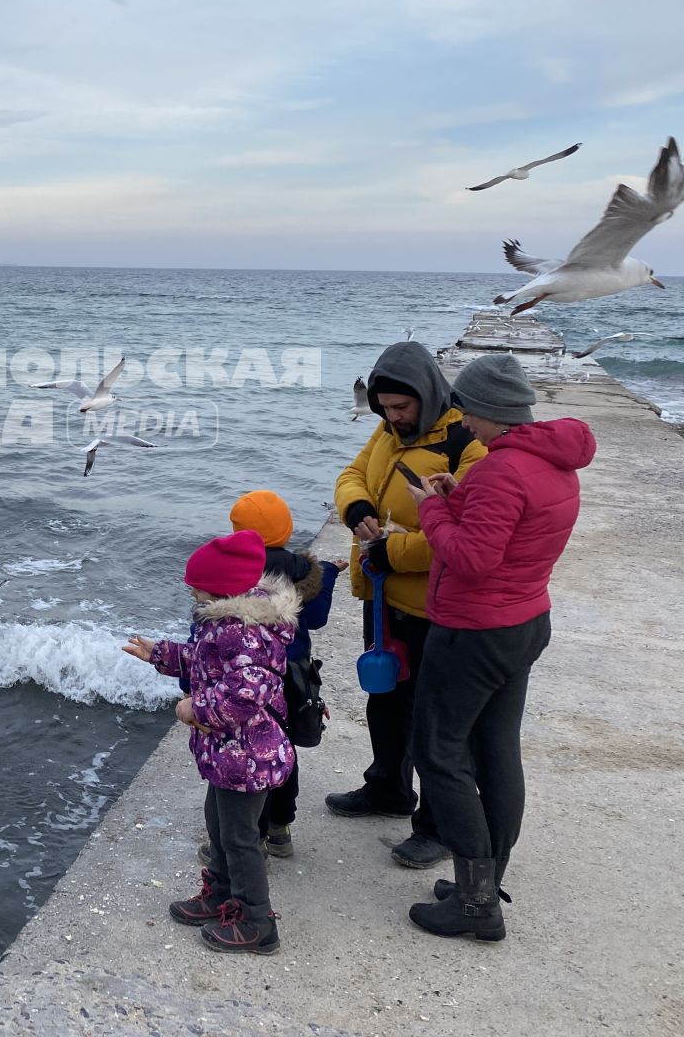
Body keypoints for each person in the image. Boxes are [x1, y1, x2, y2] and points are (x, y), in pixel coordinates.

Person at [403, 353, 595, 939]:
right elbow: (511, 532)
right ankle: (479, 883)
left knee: (438, 752)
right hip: (524, 622)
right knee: (496, 750)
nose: (462, 419)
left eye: (468, 409)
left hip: (474, 632)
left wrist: (432, 507)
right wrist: (460, 495)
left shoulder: (501, 470)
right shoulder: (549, 462)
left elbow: (472, 558)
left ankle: (475, 903)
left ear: (489, 411)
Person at [329, 341, 488, 869]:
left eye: (403, 408)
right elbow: (352, 474)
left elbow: (464, 531)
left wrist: (390, 551)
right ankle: (387, 790)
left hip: (434, 606)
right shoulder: (387, 429)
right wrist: (356, 510)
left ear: (428, 393)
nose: (394, 418)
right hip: (382, 598)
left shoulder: (467, 441)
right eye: (385, 409)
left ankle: (438, 827)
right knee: (386, 700)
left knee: (434, 720)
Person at [123, 530, 299, 955]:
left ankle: (258, 921)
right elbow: (206, 662)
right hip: (228, 755)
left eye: (196, 584)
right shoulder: (224, 625)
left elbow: (244, 694)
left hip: (248, 756)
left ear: (220, 588)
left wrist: (193, 710)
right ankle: (220, 894)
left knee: (241, 839)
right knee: (219, 829)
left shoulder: (247, 633)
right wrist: (162, 654)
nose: (190, 589)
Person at [227, 490, 343, 858]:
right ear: (288, 529)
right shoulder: (304, 571)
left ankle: (252, 836)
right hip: (293, 677)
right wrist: (328, 575)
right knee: (283, 751)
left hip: (250, 679)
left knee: (248, 754)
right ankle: (280, 831)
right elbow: (317, 618)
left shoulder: (232, 572)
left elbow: (211, 634)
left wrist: (190, 684)